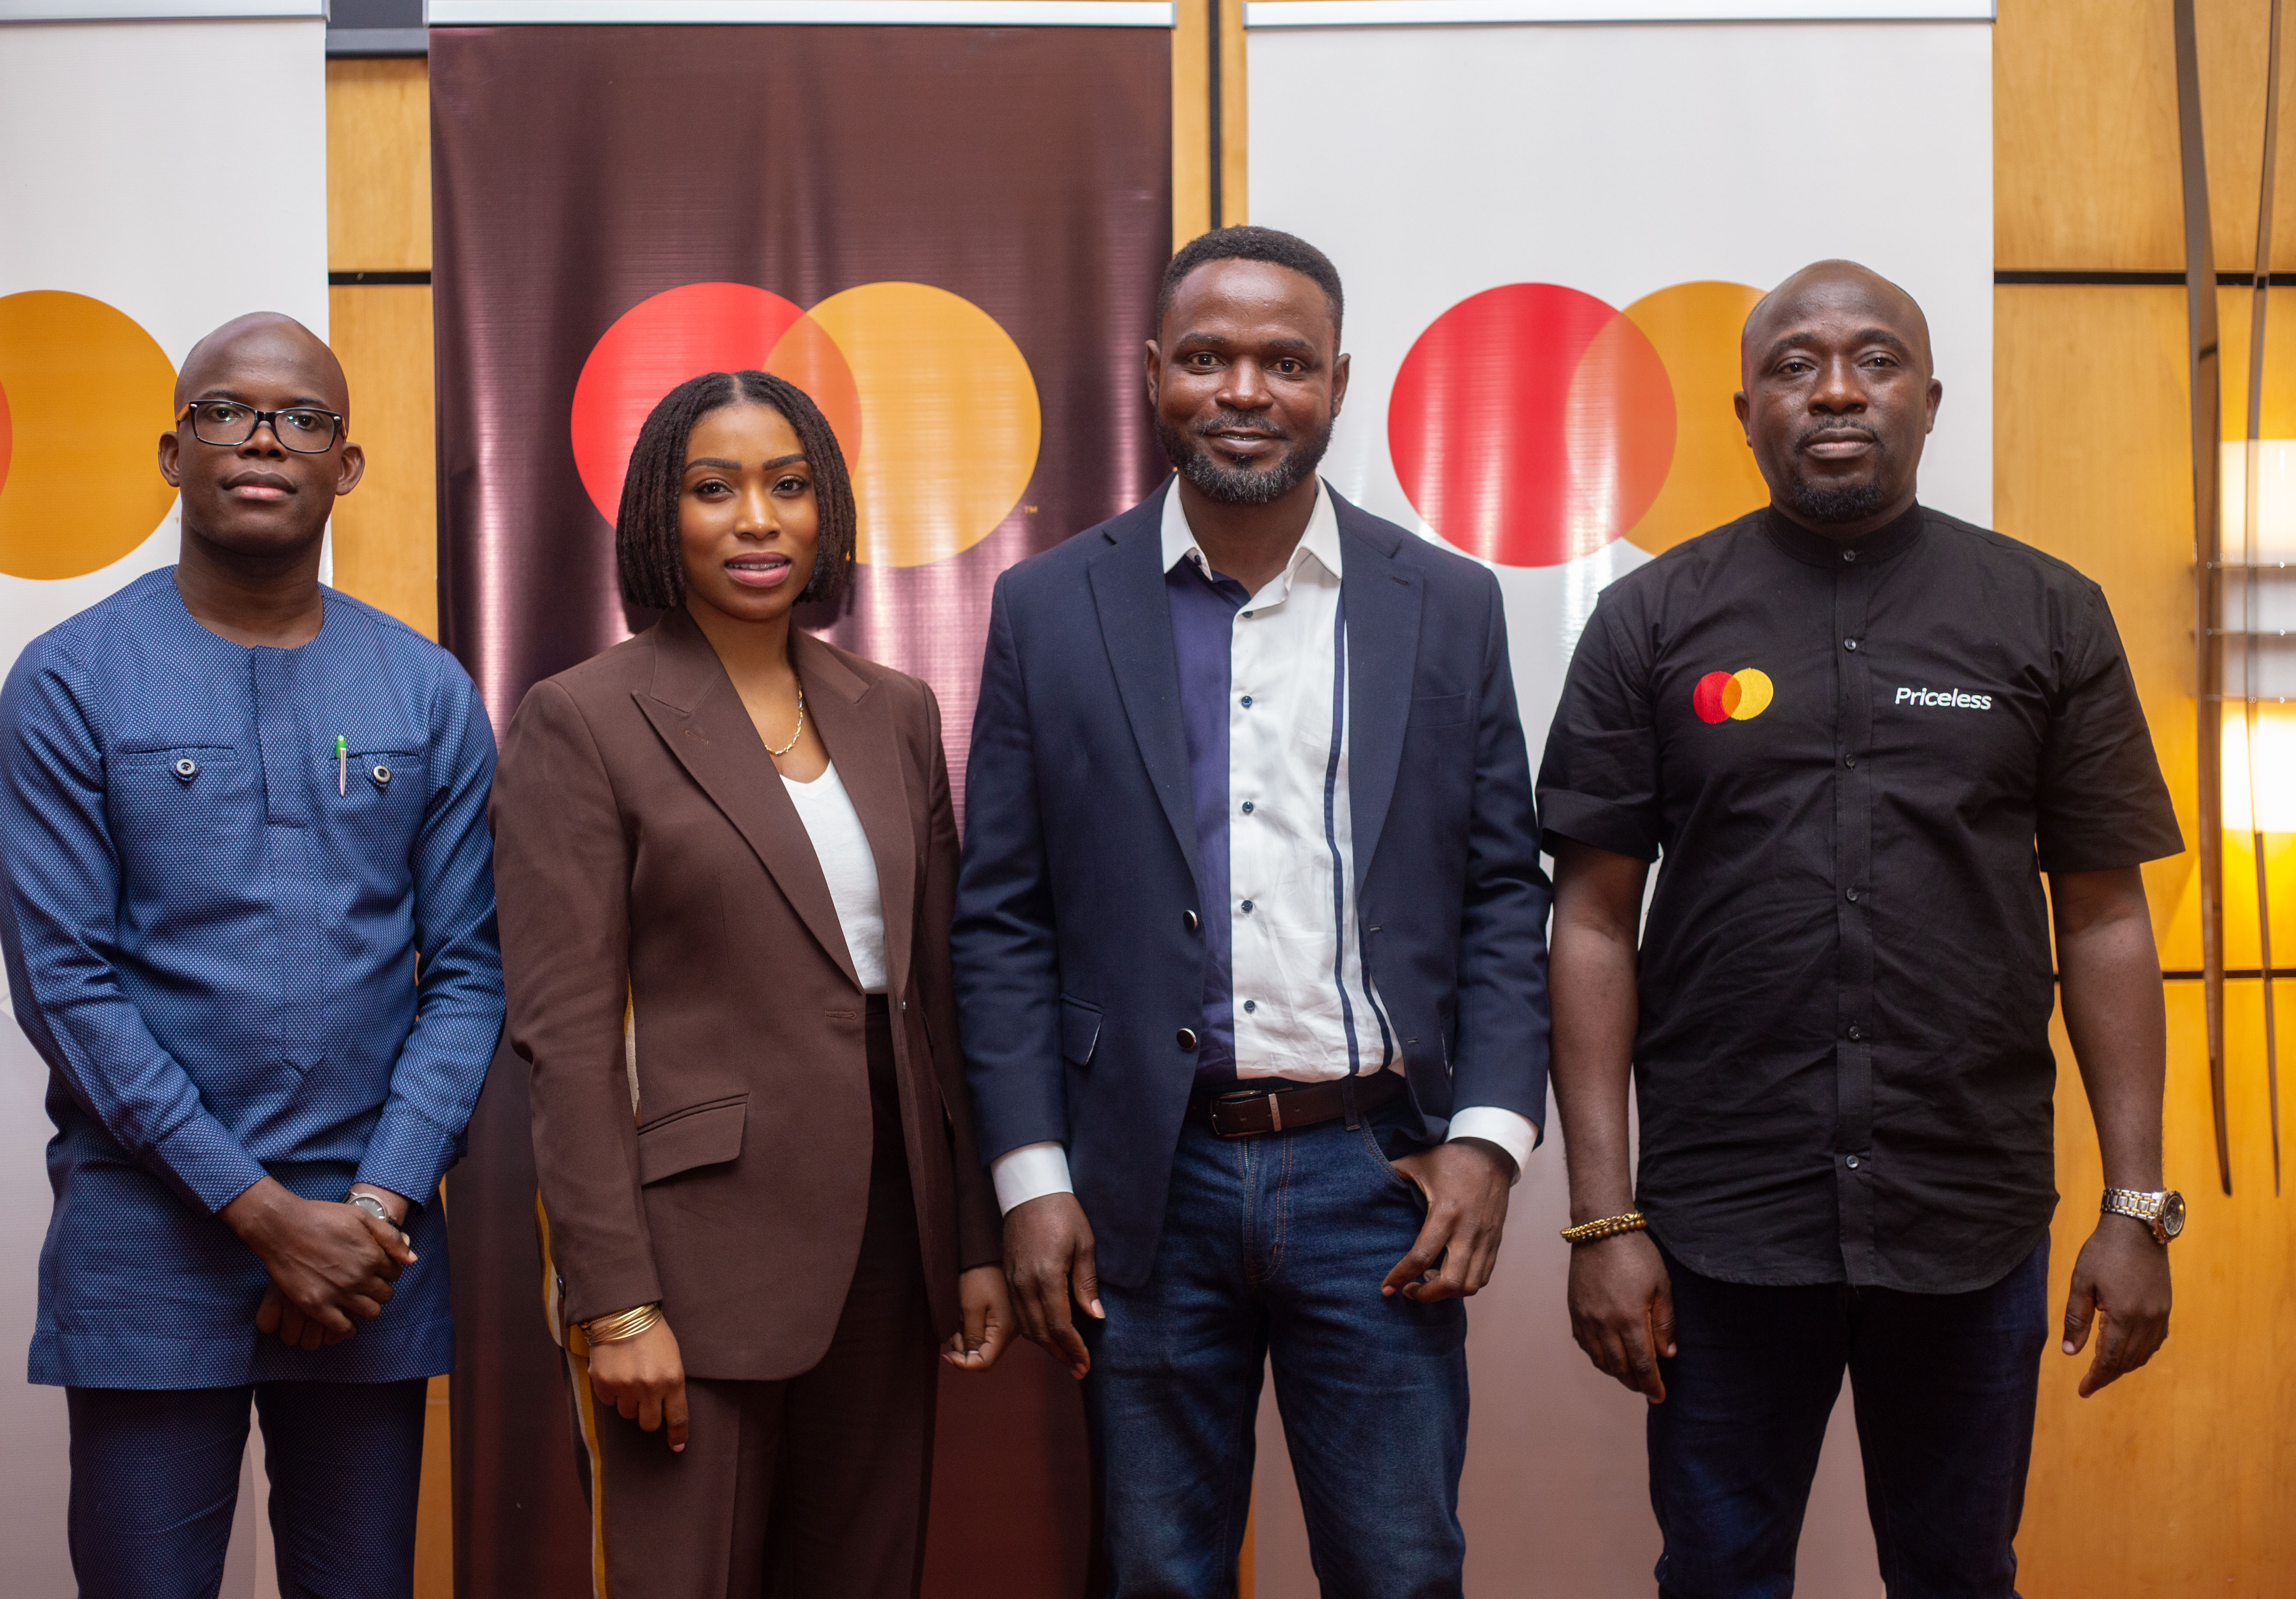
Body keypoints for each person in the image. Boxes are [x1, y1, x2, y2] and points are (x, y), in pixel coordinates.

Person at [1539, 260, 2185, 1596]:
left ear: (1931, 399)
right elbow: (1593, 921)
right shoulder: (1649, 621)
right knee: (1717, 1573)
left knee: (1958, 1573)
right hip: (1724, 1224)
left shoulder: (2049, 613)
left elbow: (2109, 913)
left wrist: (2138, 1207)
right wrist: (1602, 1221)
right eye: (1795, 364)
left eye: (1875, 358)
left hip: (1969, 1215)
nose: (1835, 389)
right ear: (1745, 410)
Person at [954, 226, 1551, 1597]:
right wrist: (1032, 1179)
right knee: (1158, 1573)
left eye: (1285, 362)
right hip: (1139, 1182)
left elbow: (1501, 900)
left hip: (1378, 1177)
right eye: (1209, 357)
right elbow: (1002, 921)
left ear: (1339, 383)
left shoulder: (1448, 605)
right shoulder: (1049, 607)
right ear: (1153, 372)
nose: (1244, 389)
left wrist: (1491, 1144)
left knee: (1401, 1571)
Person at [0, 313, 503, 1595]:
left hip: (368, 1256)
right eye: (227, 412)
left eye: (304, 419)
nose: (264, 438)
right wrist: (262, 1215)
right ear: (174, 454)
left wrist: (370, 1212)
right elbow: (66, 985)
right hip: (151, 1245)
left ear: (349, 466)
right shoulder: (69, 683)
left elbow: (469, 975)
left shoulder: (425, 690)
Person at [491, 369, 1010, 1599]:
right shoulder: (585, 718)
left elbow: (933, 1000)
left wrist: (974, 1242)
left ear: (826, 510)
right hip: (693, 1264)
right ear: (660, 520)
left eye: (787, 487)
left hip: (892, 1248)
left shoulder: (891, 709)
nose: (758, 520)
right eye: (713, 490)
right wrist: (615, 1303)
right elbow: (563, 1037)